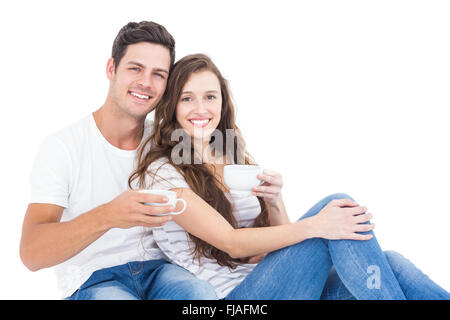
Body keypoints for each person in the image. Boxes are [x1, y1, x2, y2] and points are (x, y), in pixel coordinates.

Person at [128, 53, 450, 300]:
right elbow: (232, 244)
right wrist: (316, 225)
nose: (202, 108)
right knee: (334, 206)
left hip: (281, 282)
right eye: (188, 98)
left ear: (222, 102)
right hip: (240, 298)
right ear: (172, 106)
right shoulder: (163, 173)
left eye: (210, 96)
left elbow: (273, 245)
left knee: (389, 264)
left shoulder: (231, 156)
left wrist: (276, 201)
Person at [19, 21, 218, 300]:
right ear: (111, 68)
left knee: (200, 295)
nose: (146, 83)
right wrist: (109, 215)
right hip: (94, 280)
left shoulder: (167, 141)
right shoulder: (63, 147)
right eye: (135, 68)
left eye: (158, 74)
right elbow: (31, 253)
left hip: (162, 272)